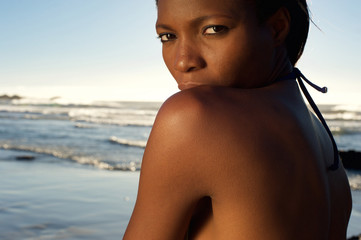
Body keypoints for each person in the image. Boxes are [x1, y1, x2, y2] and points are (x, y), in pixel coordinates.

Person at [124, 0, 352, 239]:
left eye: (213, 29)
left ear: (277, 28)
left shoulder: (194, 117)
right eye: (168, 36)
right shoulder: (320, 136)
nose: (183, 61)